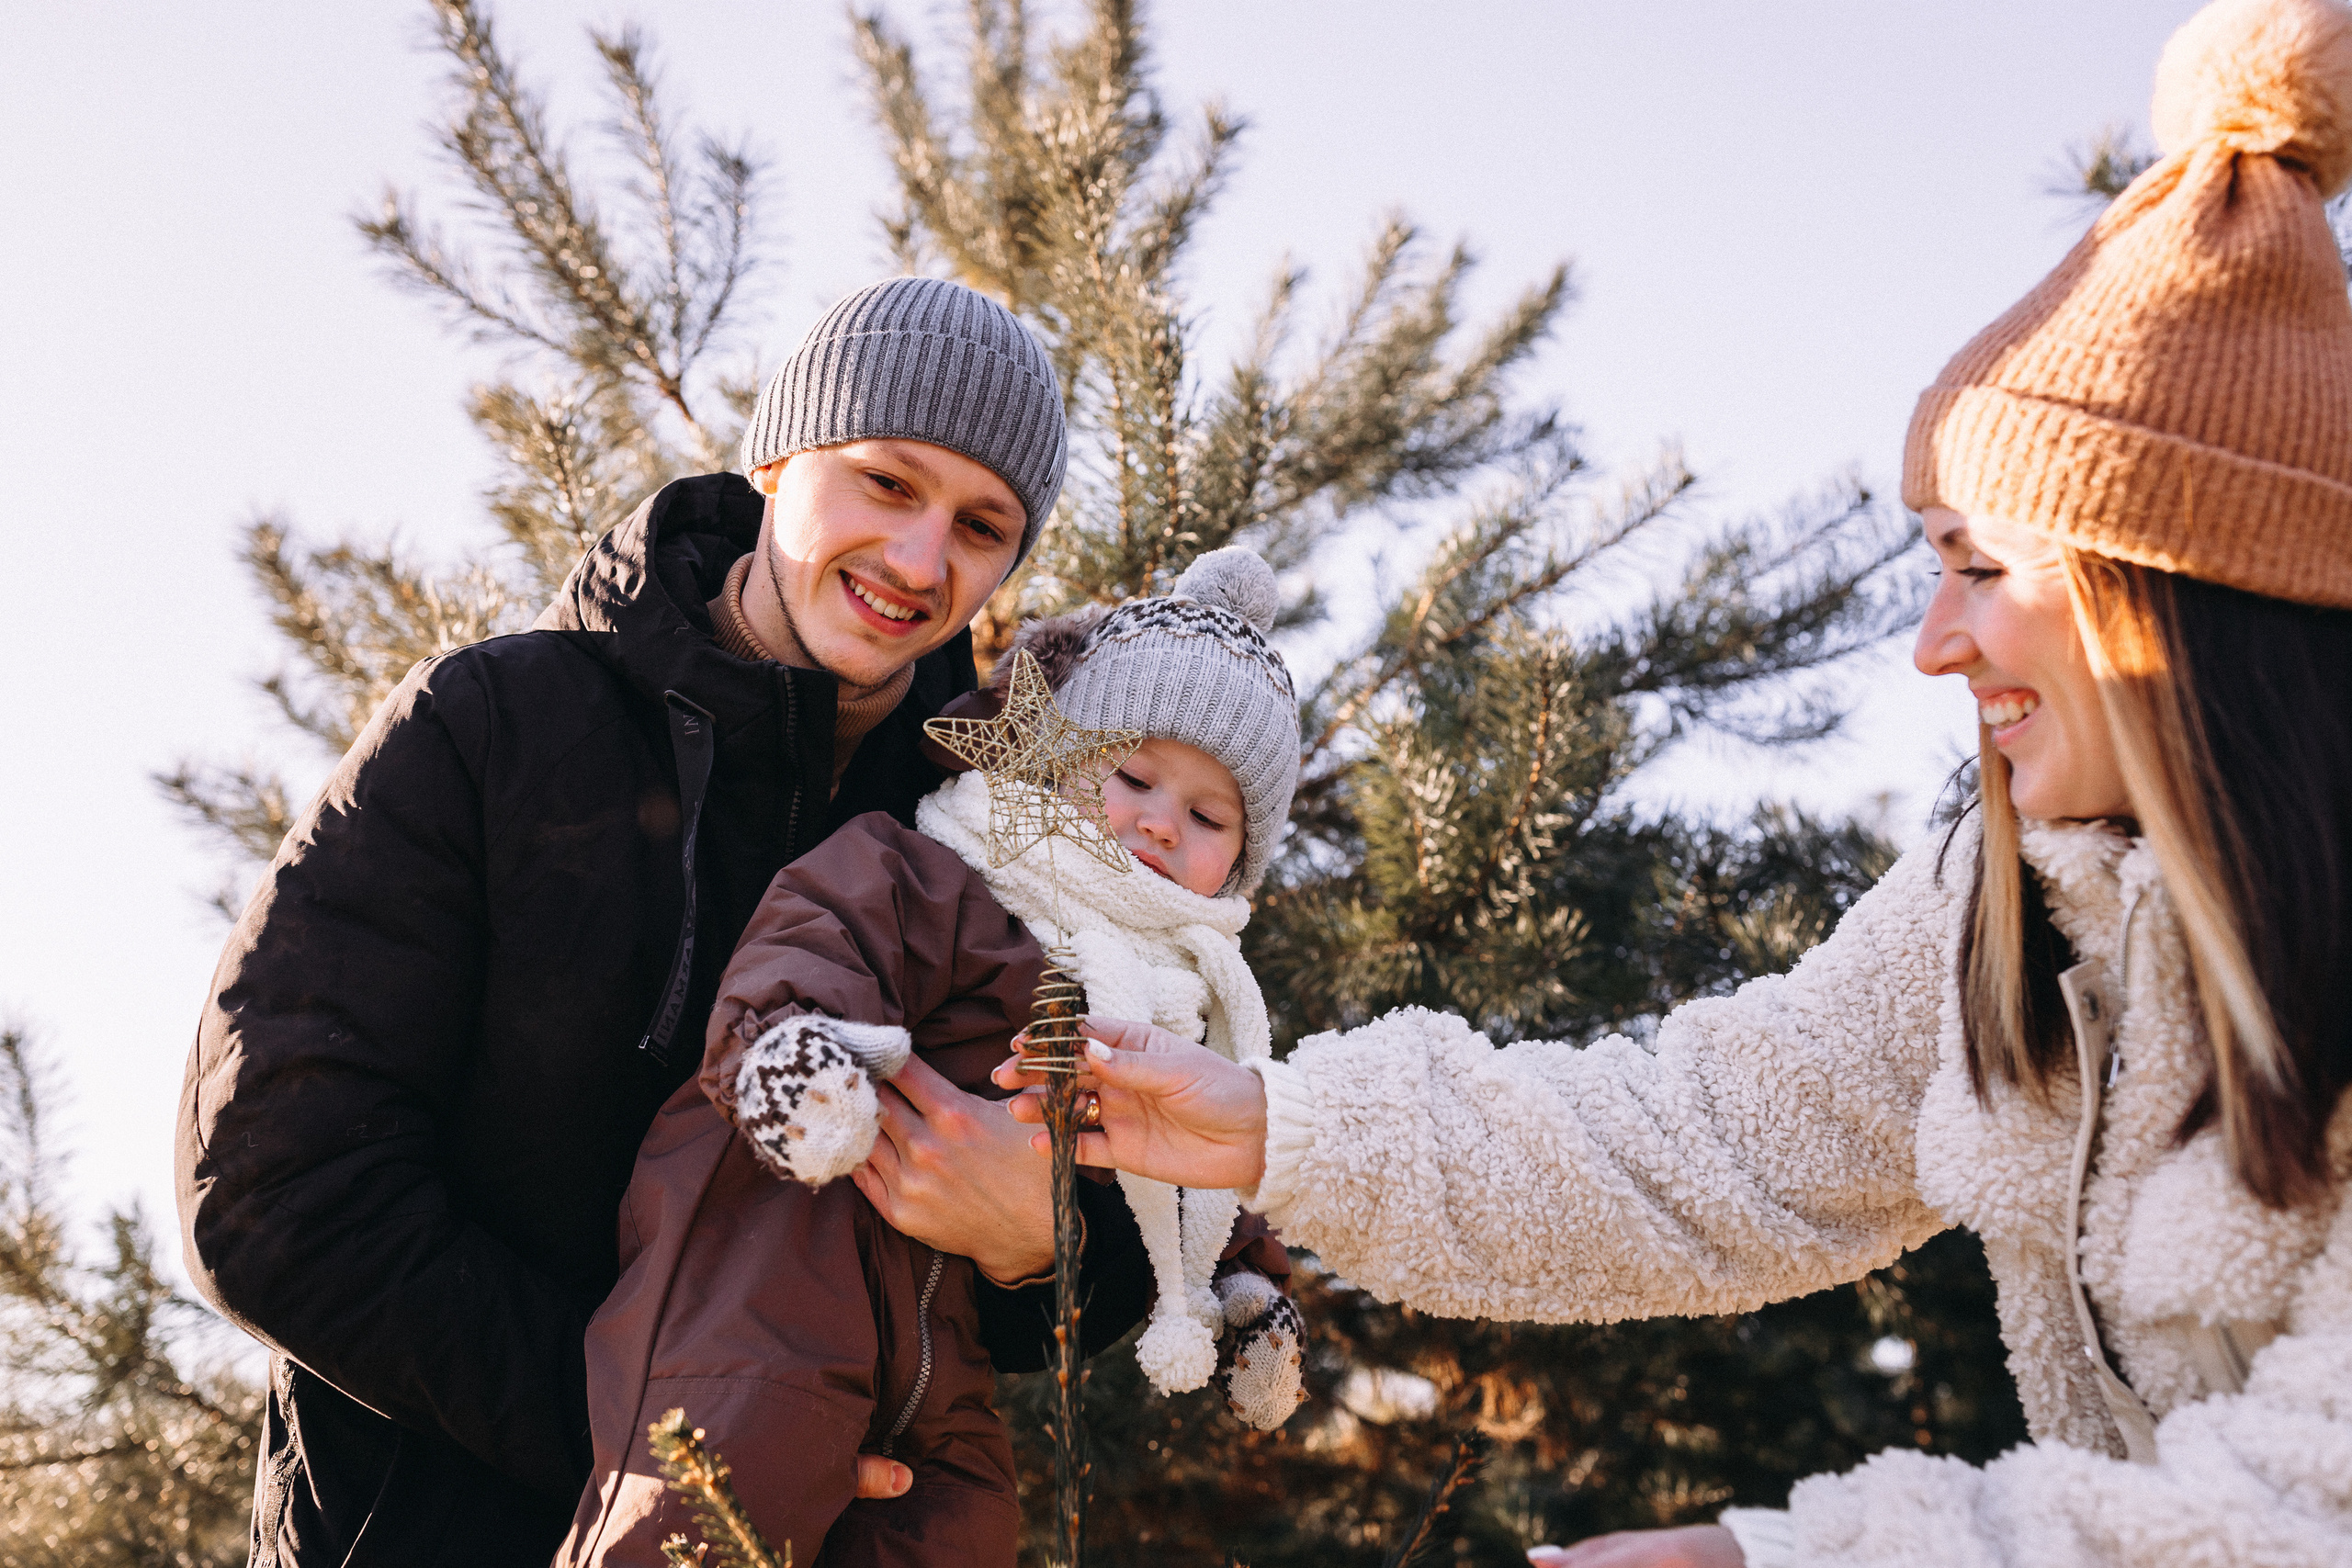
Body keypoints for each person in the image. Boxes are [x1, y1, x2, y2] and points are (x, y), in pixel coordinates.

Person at [1000, 2, 2352, 1563]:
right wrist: (1277, 1128)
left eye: (1982, 568)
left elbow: (2310, 1500)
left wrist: (1766, 1556)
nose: (1933, 645)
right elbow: (1698, 1142)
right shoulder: (2009, 907)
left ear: (2173, 588)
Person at [175, 276, 1158, 1566]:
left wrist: (1043, 1244)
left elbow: (1097, 1258)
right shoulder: (492, 725)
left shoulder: (969, 837)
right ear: (777, 455)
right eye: (885, 482)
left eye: (982, 526)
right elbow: (273, 1192)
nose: (922, 563)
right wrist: (673, 1448)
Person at [557, 547, 1307, 1565]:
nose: (1157, 823)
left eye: (1209, 816)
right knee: (712, 1501)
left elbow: (1197, 1143)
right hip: (768, 1267)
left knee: (954, 1531)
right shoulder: (942, 870)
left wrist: (1246, 1279)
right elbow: (817, 938)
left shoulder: (1175, 996)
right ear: (1056, 754)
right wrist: (796, 1060)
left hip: (939, 1353)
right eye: (1132, 775)